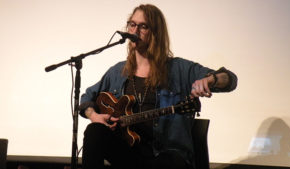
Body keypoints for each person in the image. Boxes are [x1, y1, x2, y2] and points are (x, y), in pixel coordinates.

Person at [79, 4, 237, 169]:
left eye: (143, 26)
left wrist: (211, 79)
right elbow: (87, 98)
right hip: (130, 154)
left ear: (156, 32)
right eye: (132, 24)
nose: (135, 31)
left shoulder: (179, 69)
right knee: (94, 131)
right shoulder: (118, 71)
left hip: (166, 155)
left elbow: (230, 79)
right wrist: (93, 115)